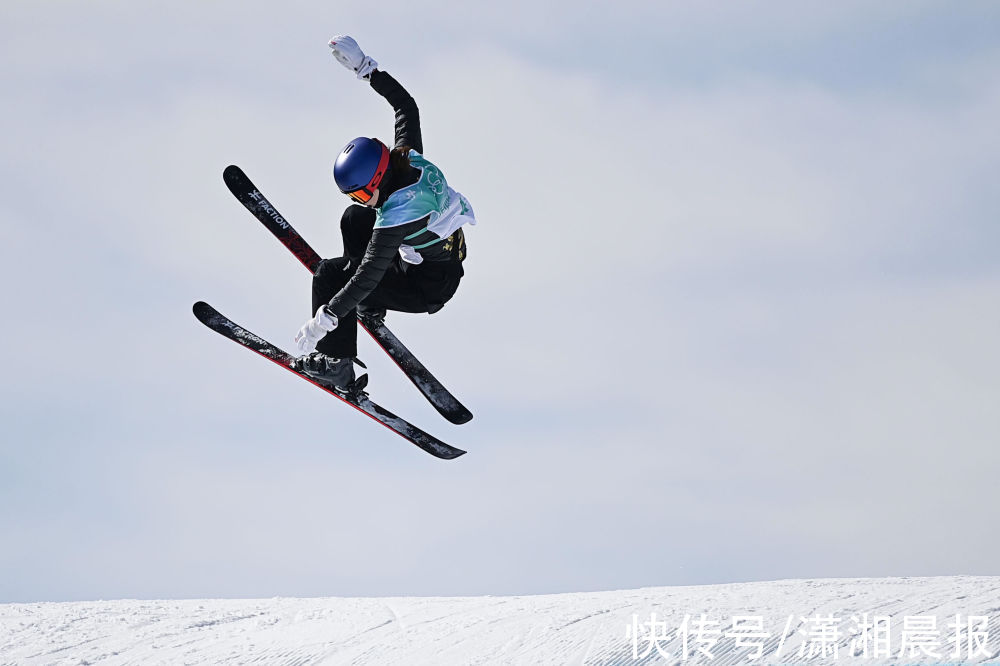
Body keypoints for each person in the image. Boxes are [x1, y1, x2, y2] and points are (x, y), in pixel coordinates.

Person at [291, 35, 476, 394]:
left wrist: (325, 321)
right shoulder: (407, 159)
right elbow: (406, 108)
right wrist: (366, 68)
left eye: (360, 193)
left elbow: (365, 278)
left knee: (330, 275)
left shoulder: (399, 214)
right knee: (353, 219)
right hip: (428, 262)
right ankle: (370, 310)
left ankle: (335, 363)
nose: (362, 200)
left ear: (375, 177)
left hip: (428, 288)